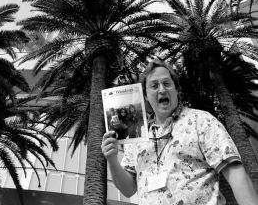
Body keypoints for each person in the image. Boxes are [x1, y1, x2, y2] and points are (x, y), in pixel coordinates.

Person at [101, 58, 258, 205]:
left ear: (176, 90)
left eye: (167, 84)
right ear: (146, 96)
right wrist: (112, 159)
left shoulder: (201, 120)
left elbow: (237, 175)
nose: (161, 89)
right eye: (154, 86)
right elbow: (128, 189)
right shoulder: (136, 136)